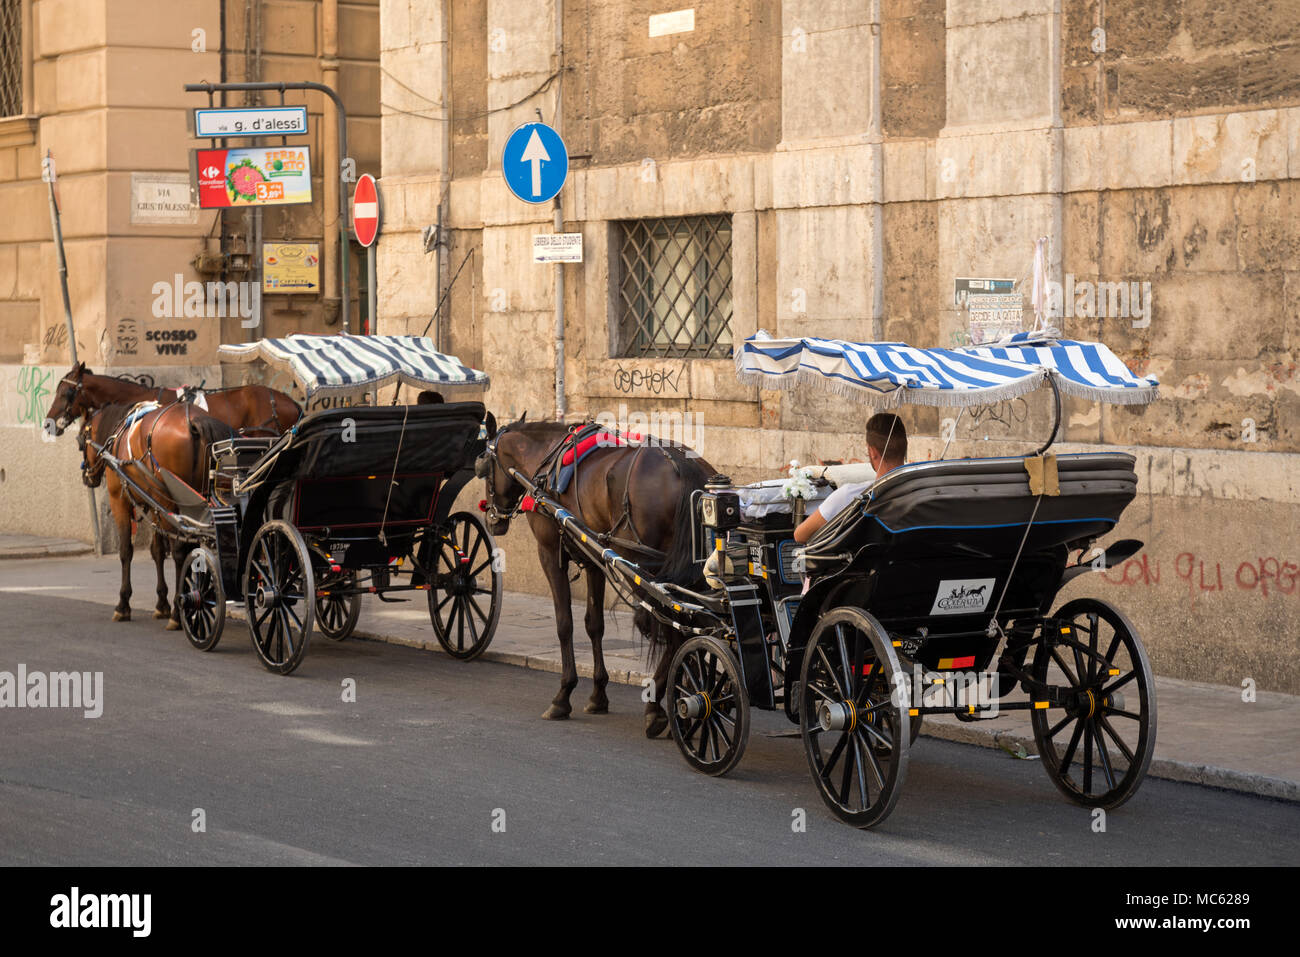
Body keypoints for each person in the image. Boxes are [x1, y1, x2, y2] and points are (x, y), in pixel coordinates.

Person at [794, 412, 907, 543]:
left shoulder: (850, 496)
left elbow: (800, 535)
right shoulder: (925, 491)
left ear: (872, 452)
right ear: (905, 447)